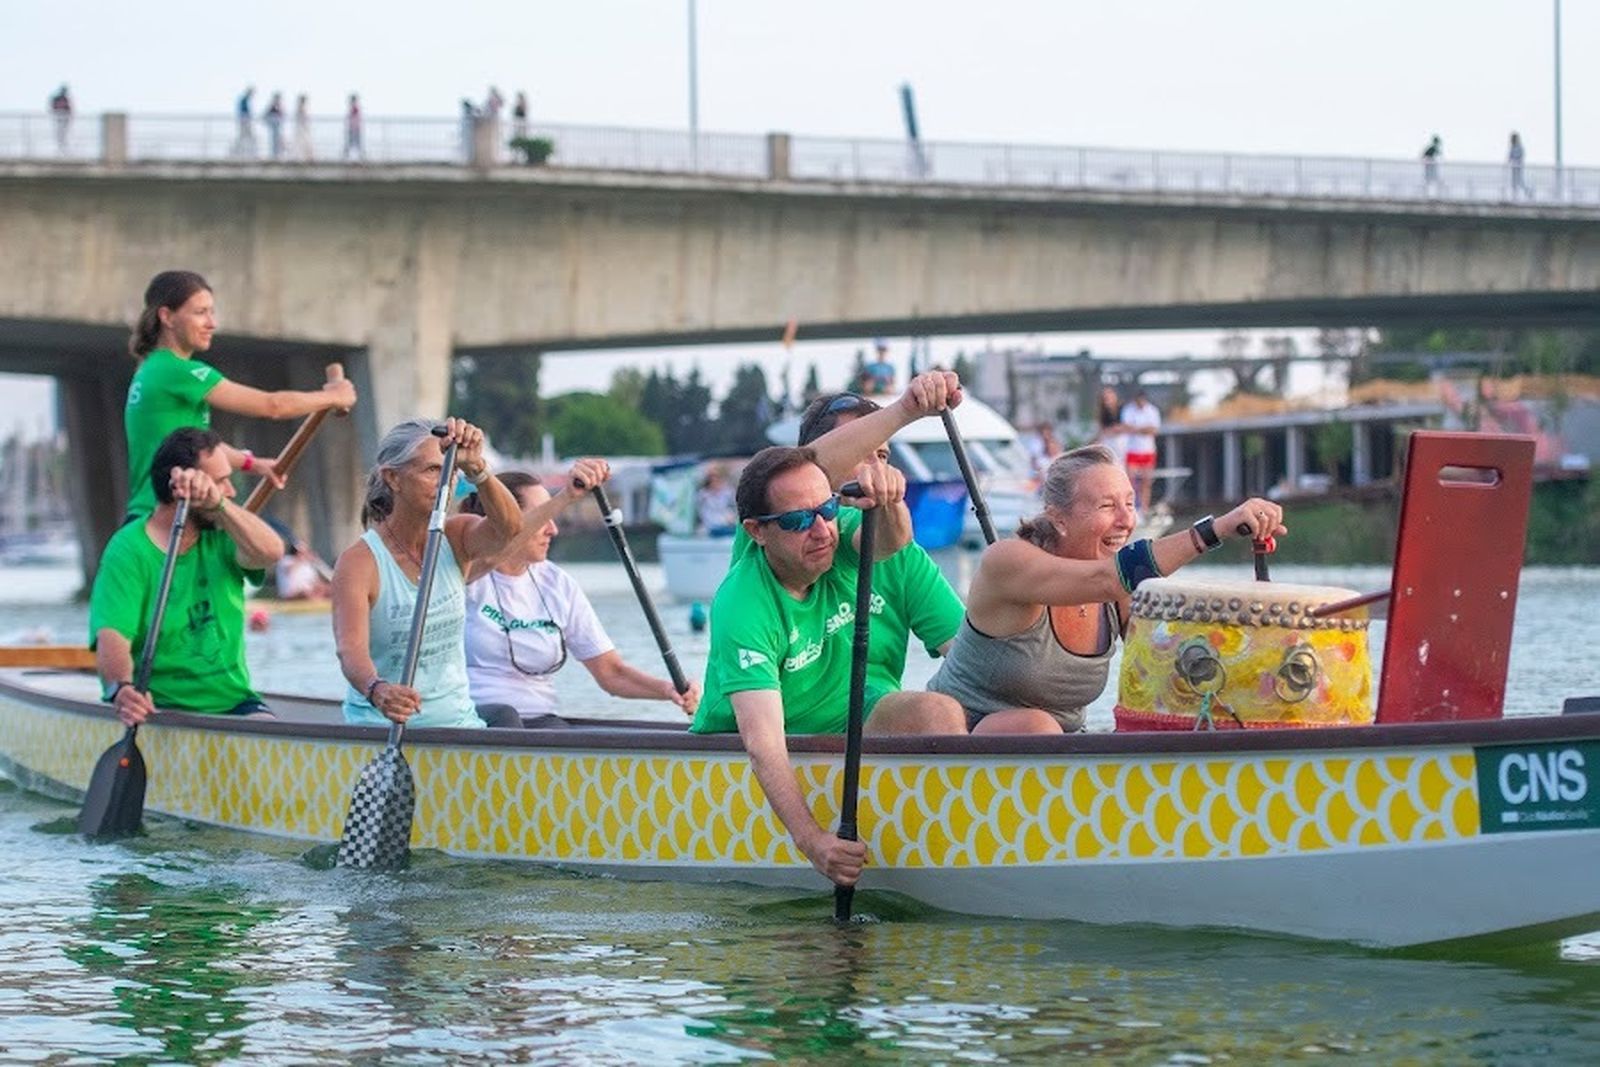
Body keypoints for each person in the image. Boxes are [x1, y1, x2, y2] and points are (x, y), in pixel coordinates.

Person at [690, 446, 928, 886]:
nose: (821, 531)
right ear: (756, 531)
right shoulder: (743, 604)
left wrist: (891, 500)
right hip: (752, 744)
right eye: (799, 520)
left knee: (934, 713)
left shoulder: (835, 536)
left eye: (828, 509)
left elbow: (894, 542)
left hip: (838, 730)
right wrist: (813, 841)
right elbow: (762, 742)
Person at [928, 445, 1285, 734]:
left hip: (1059, 755)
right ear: (1058, 518)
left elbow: (1169, 666)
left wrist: (1263, 665)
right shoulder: (1007, 561)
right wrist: (1216, 529)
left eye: (1129, 503)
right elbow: (1108, 579)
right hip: (961, 745)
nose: (1127, 520)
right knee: (1036, 725)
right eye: (1107, 506)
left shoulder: (1121, 585)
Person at [459, 465, 701, 721]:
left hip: (540, 720)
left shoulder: (558, 584)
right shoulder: (464, 574)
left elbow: (611, 673)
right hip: (474, 718)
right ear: (504, 521)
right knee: (507, 716)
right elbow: (491, 554)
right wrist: (566, 495)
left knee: (553, 729)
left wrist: (668, 689)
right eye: (541, 517)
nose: (553, 529)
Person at [332, 417, 523, 729]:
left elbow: (510, 530)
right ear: (393, 478)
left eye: (451, 470)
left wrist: (476, 468)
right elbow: (350, 650)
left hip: (459, 725)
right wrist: (377, 690)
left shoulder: (457, 536)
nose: (446, 481)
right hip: (383, 729)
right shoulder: (359, 562)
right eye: (433, 470)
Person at [123, 270, 358, 519]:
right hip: (169, 516)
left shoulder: (153, 369)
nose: (212, 323)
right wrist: (333, 396)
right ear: (167, 317)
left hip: (156, 514)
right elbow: (272, 406)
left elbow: (199, 447)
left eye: (212, 312)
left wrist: (253, 464)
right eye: (200, 313)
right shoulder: (176, 371)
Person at [792, 392, 967, 725]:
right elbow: (806, 468)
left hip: (871, 718)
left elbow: (970, 659)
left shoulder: (904, 556)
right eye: (862, 452)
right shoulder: (773, 526)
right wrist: (908, 408)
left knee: (1021, 718)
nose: (877, 469)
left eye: (883, 455)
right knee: (934, 713)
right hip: (780, 723)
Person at [90, 427, 286, 724]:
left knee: (270, 735)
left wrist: (219, 504)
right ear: (178, 488)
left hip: (234, 701)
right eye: (221, 482)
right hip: (160, 707)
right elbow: (113, 638)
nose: (231, 492)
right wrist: (122, 689)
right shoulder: (128, 550)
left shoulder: (224, 531)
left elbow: (271, 552)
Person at [1120, 389, 1161, 514]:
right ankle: (1132, 508)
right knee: (1131, 482)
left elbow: (1154, 430)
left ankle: (1144, 509)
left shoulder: (1152, 410)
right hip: (1132, 451)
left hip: (1148, 451)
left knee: (1146, 482)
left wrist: (1136, 429)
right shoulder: (1128, 410)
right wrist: (1144, 429)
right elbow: (1126, 428)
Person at [695, 464, 736, 535]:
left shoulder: (728, 492)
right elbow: (701, 513)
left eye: (717, 477)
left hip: (726, 525)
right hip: (709, 527)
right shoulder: (703, 494)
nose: (715, 480)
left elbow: (733, 509)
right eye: (712, 478)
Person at [234, 86, 256, 158]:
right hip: (244, 122)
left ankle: (240, 151)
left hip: (245, 121)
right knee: (246, 137)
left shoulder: (244, 100)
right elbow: (243, 112)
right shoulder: (244, 100)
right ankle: (237, 151)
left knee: (246, 137)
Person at [49, 84, 72, 154]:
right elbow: (53, 107)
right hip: (58, 118)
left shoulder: (66, 99)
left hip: (65, 119)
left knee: (64, 134)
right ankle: (59, 148)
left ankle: (63, 148)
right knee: (59, 134)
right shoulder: (56, 98)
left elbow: (69, 109)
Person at [263, 92, 285, 160]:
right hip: (274, 128)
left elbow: (282, 115)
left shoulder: (279, 106)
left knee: (278, 141)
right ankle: (274, 156)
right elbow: (265, 115)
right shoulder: (272, 106)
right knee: (274, 142)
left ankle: (278, 155)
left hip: (278, 128)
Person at [292, 94, 313, 161]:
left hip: (302, 129)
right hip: (301, 129)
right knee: (303, 142)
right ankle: (303, 157)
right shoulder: (301, 108)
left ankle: (305, 156)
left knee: (303, 142)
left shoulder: (300, 108)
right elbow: (303, 119)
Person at [1507, 131, 1527, 199]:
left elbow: (1521, 156)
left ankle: (1528, 192)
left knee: (1520, 181)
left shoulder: (1519, 147)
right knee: (1514, 182)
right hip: (1514, 168)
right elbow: (1510, 157)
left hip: (1518, 167)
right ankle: (1514, 196)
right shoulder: (1512, 147)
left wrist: (1516, 161)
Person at [343, 94, 363, 161]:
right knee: (353, 143)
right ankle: (347, 155)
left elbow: (354, 119)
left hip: (354, 128)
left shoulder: (354, 108)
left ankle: (347, 155)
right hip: (354, 128)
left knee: (354, 143)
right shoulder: (354, 108)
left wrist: (353, 126)